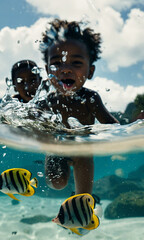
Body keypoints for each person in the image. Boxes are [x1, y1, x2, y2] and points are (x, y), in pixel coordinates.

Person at [37, 19, 119, 196]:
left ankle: (81, 209)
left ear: (90, 71)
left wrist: (122, 134)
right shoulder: (46, 102)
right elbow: (22, 118)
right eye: (57, 63)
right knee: (57, 183)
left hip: (83, 150)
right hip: (56, 149)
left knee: (83, 197)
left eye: (76, 63)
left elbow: (111, 124)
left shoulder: (90, 99)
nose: (65, 69)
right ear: (47, 70)